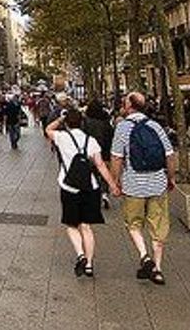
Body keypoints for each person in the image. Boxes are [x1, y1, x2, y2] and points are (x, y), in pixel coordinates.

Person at [109, 92, 175, 286]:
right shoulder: (155, 126)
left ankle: (144, 256)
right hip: (157, 184)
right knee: (159, 229)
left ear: (129, 106)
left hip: (133, 186)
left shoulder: (122, 127)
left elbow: (116, 157)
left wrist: (115, 181)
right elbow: (170, 155)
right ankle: (158, 269)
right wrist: (170, 177)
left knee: (133, 224)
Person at [47, 107, 118, 278]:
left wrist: (60, 119)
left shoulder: (62, 137)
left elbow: (48, 129)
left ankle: (80, 255)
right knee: (86, 226)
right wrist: (113, 185)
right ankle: (89, 264)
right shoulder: (90, 141)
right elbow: (100, 165)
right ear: (82, 122)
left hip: (69, 187)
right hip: (90, 187)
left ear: (67, 123)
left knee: (72, 225)